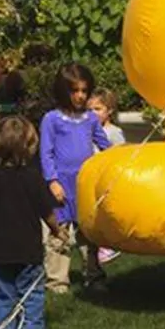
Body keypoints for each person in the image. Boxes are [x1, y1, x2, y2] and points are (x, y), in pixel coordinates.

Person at [0, 116, 67, 329]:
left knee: (1, 293)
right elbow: (47, 212)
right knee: (31, 292)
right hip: (28, 250)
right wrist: (56, 229)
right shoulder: (34, 180)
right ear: (30, 147)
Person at [39, 63, 110, 292]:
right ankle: (57, 281)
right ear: (63, 90)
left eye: (84, 91)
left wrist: (119, 159)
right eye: (75, 90)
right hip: (61, 185)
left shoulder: (90, 119)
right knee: (59, 234)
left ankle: (94, 275)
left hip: (84, 185)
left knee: (89, 233)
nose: (80, 96)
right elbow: (46, 153)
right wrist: (52, 181)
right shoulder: (52, 119)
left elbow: (104, 145)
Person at [87, 88, 125, 265]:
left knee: (105, 212)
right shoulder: (86, 131)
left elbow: (120, 155)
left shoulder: (114, 132)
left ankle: (110, 245)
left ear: (109, 110)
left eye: (97, 109)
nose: (92, 114)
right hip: (92, 177)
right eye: (89, 110)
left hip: (107, 178)